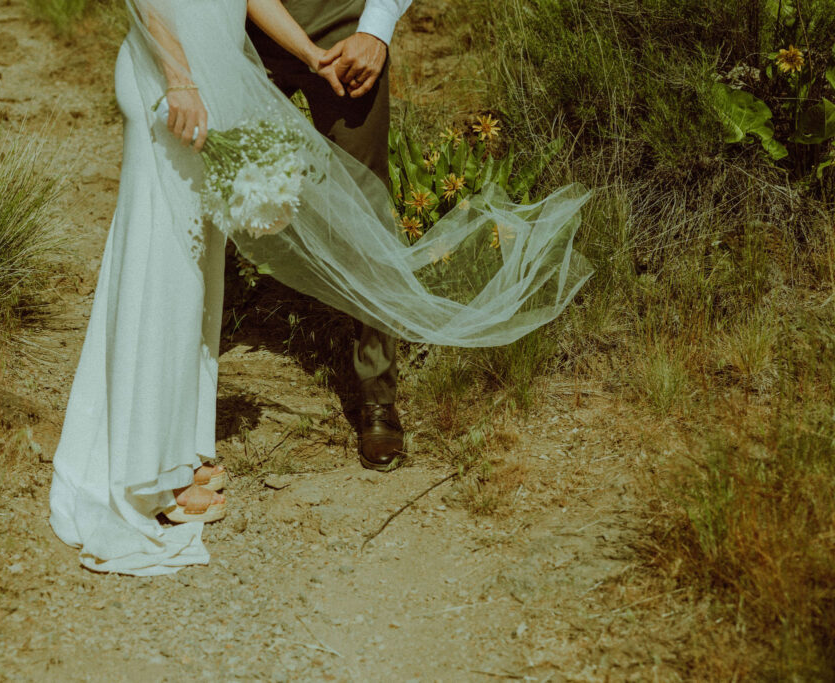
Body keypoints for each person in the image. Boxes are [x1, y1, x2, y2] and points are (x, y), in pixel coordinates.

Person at [48, 0, 593, 576]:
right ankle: (146, 463)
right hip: (198, 59)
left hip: (280, 38)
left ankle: (212, 443)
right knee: (176, 257)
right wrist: (181, 76)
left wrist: (346, 41)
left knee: (272, 239)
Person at [246, 0, 412, 473]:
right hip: (243, 36)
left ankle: (377, 396)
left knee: (365, 210)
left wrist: (376, 31)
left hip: (345, 31)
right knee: (206, 189)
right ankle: (186, 388)